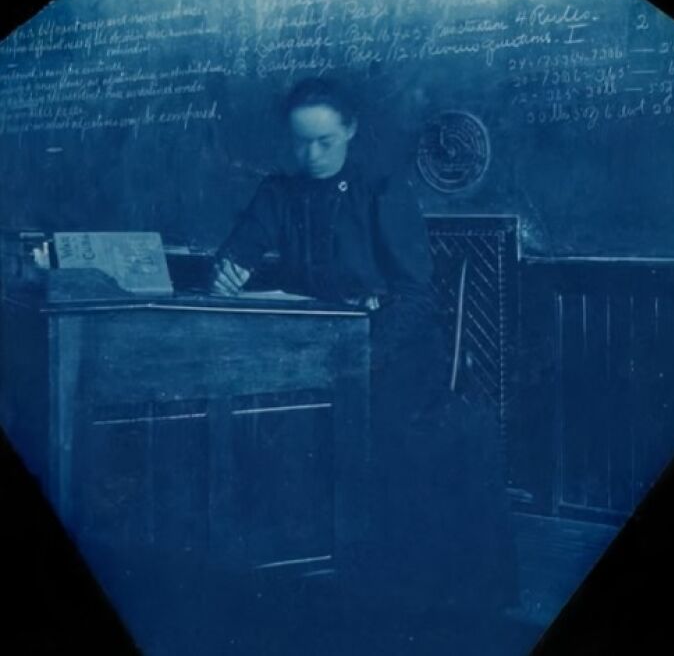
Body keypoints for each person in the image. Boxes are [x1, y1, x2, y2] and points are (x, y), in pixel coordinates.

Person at [211, 77, 516, 623]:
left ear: (350, 130)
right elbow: (238, 253)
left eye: (325, 140)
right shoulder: (277, 192)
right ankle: (292, 574)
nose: (311, 154)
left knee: (382, 434)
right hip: (309, 349)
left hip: (393, 350)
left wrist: (364, 354)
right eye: (300, 142)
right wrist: (228, 273)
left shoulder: (382, 188)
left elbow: (417, 295)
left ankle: (387, 593)